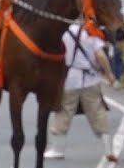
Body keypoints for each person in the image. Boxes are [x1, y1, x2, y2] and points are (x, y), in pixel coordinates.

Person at [46, 23, 117, 160]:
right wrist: (109, 74)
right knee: (98, 112)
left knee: (64, 111)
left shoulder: (63, 32)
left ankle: (57, 149)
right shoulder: (91, 32)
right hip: (91, 78)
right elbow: (100, 55)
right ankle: (109, 150)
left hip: (70, 78)